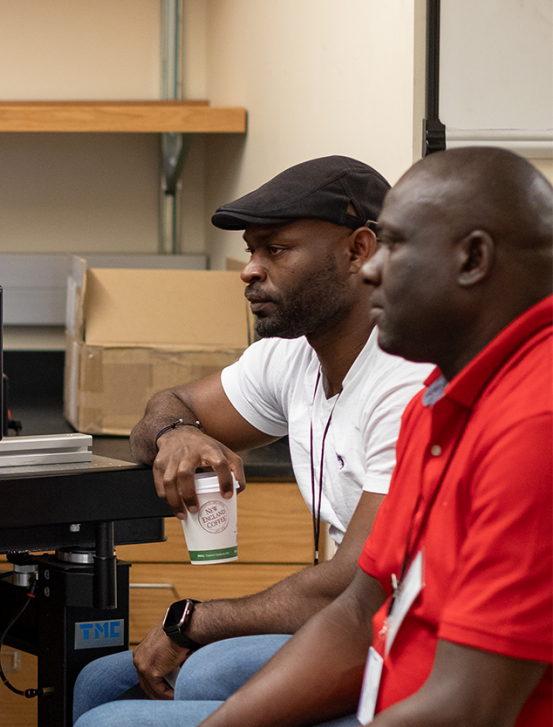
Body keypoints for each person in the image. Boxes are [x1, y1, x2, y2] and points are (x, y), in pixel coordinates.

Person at [187, 146, 553, 727]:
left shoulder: (535, 426)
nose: (374, 269)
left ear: (473, 259)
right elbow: (362, 605)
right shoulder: (441, 395)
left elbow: (472, 708)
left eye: (398, 246)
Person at [74, 156, 432, 725]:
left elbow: (351, 585)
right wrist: (178, 434)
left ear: (358, 252)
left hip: (401, 639)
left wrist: (190, 620)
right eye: (250, 250)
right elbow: (169, 406)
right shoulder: (290, 356)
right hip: (348, 621)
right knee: (101, 681)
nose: (249, 269)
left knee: (171, 686)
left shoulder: (409, 379)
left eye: (276, 249)